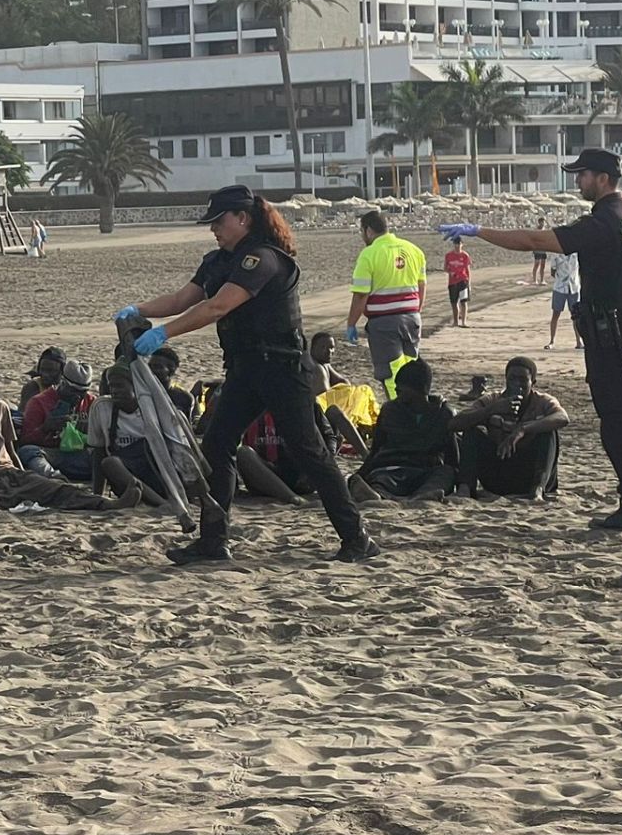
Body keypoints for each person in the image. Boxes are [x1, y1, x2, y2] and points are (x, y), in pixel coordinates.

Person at [117, 184, 374, 564]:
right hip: (246, 369)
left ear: (243, 218)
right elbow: (181, 300)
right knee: (217, 446)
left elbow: (218, 307)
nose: (213, 229)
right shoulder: (217, 261)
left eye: (219, 221)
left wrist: (162, 334)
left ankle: (356, 537)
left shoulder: (264, 259)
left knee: (310, 452)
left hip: (283, 369)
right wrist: (136, 310)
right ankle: (213, 541)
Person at [439, 147, 622, 531]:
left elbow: (532, 240)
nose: (577, 181)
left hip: (609, 334)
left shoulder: (601, 223)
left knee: (617, 422)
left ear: (603, 178)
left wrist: (479, 232)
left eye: (583, 174)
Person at [0, 366, 132, 513]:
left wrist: (22, 473)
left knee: (54, 489)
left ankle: (107, 504)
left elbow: (10, 448)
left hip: (5, 470)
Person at [87, 362, 208, 512]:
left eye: (120, 386)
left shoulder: (155, 408)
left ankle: (171, 499)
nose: (114, 391)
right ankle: (161, 503)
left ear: (136, 386)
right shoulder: (102, 408)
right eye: (112, 386)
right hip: (128, 476)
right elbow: (98, 451)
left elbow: (181, 449)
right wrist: (96, 495)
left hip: (159, 471)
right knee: (109, 463)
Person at [452, 356, 569, 500]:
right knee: (472, 431)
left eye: (522, 380)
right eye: (512, 379)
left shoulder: (542, 401)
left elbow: (562, 417)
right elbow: (455, 423)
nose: (517, 384)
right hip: (499, 472)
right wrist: (490, 410)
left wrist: (523, 429)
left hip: (529, 473)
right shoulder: (493, 400)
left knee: (549, 433)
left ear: (533, 382)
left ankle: (537, 490)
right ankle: (465, 488)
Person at [347, 359, 458, 502]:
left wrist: (460, 484)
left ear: (417, 390)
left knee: (445, 473)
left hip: (424, 471)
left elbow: (452, 459)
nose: (396, 393)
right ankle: (377, 495)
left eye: (400, 389)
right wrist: (359, 475)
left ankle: (423, 496)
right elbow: (376, 450)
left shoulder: (444, 414)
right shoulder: (389, 410)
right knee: (380, 480)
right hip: (392, 468)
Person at [345, 209, 426, 386]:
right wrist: (416, 311)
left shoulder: (369, 254)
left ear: (368, 230)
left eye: (361, 232)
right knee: (412, 369)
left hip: (384, 323)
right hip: (412, 319)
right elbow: (421, 286)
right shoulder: (414, 250)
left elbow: (360, 295)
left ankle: (399, 409)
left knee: (391, 374)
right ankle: (415, 409)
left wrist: (351, 323)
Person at [20, 358, 95, 480]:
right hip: (52, 454)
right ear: (62, 382)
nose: (78, 396)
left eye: (83, 392)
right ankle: (54, 478)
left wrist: (92, 429)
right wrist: (45, 428)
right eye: (73, 390)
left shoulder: (91, 402)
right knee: (27, 451)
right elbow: (24, 440)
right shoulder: (39, 402)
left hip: (80, 455)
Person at [546, 250, 581, 350]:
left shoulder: (576, 253)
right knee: (556, 314)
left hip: (574, 287)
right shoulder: (556, 254)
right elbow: (553, 271)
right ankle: (552, 341)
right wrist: (561, 278)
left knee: (576, 316)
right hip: (560, 287)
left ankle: (579, 341)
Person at [444, 236, 472, 329]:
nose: (457, 246)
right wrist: (450, 272)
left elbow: (468, 270)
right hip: (452, 282)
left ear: (462, 244)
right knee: (454, 302)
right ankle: (455, 322)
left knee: (463, 302)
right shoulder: (448, 255)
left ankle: (464, 322)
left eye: (459, 244)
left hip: (463, 281)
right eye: (456, 244)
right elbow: (445, 268)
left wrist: (469, 283)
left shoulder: (465, 255)